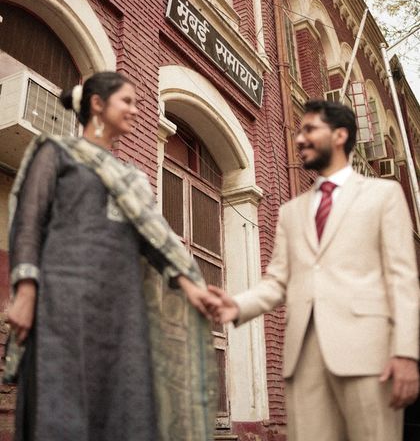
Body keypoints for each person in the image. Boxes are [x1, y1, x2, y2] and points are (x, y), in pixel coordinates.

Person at [6, 71, 219, 441]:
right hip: (63, 308)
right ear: (98, 105)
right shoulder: (56, 153)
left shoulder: (132, 177)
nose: (137, 111)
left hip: (123, 317)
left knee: (126, 411)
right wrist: (25, 290)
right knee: (60, 408)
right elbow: (28, 221)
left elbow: (154, 242)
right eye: (128, 101)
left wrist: (192, 287)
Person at [208, 99, 420, 441]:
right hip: (303, 359)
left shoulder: (384, 195)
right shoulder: (292, 211)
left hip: (369, 357)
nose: (299, 139)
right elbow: (277, 281)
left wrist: (406, 353)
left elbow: (403, 280)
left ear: (339, 135)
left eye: (309, 130)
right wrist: (237, 305)